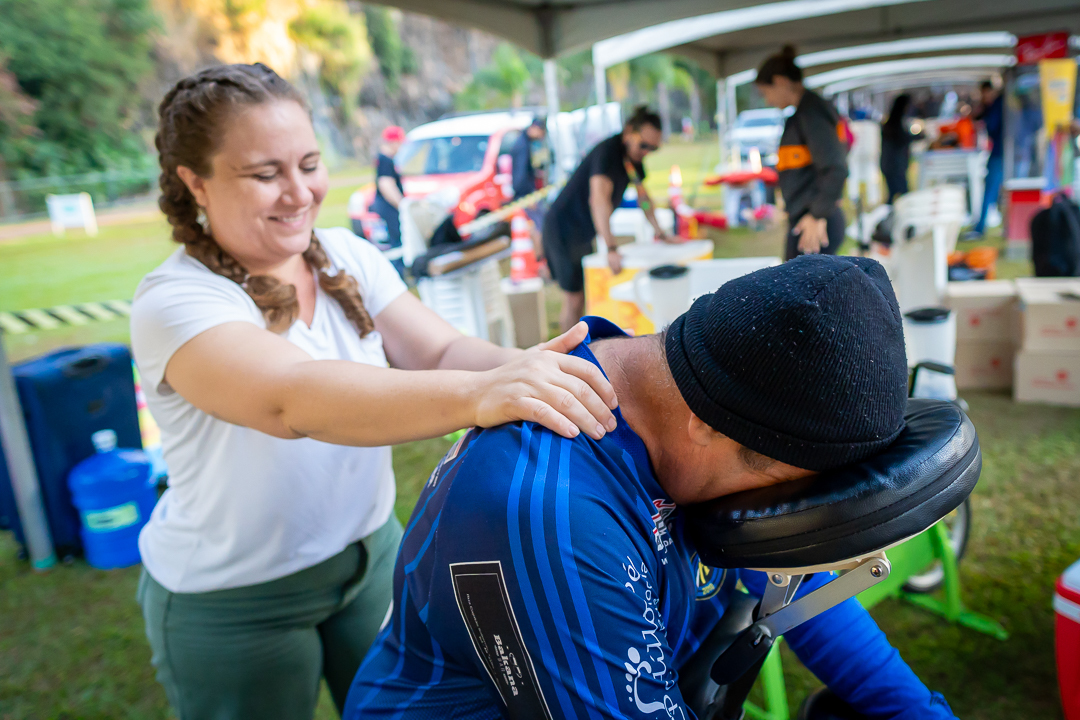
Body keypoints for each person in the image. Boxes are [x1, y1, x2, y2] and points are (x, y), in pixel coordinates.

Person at [131, 63, 620, 720]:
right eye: (265, 173)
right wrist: (481, 394)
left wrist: (544, 372)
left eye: (309, 164)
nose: (299, 192)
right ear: (196, 181)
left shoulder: (345, 254)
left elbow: (439, 351)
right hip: (233, 598)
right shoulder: (174, 301)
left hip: (373, 557)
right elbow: (291, 398)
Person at [344, 255, 956, 720]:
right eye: (785, 491)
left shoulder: (682, 389)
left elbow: (797, 583)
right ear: (707, 424)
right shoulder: (551, 513)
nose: (782, 514)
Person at [543, 106, 670, 332]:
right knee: (574, 298)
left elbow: (643, 197)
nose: (646, 152)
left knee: (584, 294)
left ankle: (576, 346)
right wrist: (611, 247)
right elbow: (598, 200)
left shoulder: (632, 158)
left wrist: (660, 232)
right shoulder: (608, 153)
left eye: (653, 148)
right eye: (643, 145)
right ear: (629, 132)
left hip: (583, 232)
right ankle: (563, 352)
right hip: (563, 228)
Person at [755, 45, 849, 261]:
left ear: (780, 81)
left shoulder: (812, 113)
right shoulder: (804, 113)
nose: (768, 100)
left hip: (813, 222)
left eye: (766, 92)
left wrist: (817, 215)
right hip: (807, 216)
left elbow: (835, 167)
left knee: (800, 283)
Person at [968, 81, 1004, 238]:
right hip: (999, 152)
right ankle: (982, 225)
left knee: (990, 190)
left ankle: (980, 227)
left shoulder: (997, 105)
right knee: (993, 189)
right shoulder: (994, 106)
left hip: (1000, 153)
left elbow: (991, 127)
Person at [370, 125, 407, 277]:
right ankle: (398, 274)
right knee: (396, 241)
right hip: (389, 207)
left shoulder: (384, 159)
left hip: (386, 206)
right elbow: (386, 185)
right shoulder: (385, 160)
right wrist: (402, 205)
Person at [510, 116, 549, 250]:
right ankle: (541, 256)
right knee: (539, 225)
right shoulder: (522, 145)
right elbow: (520, 174)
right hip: (526, 194)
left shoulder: (524, 142)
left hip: (526, 193)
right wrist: (528, 196)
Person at [881, 94, 917, 203]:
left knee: (896, 194)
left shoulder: (894, 122)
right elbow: (901, 139)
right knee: (901, 194)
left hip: (892, 165)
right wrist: (917, 136)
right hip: (894, 165)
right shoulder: (895, 123)